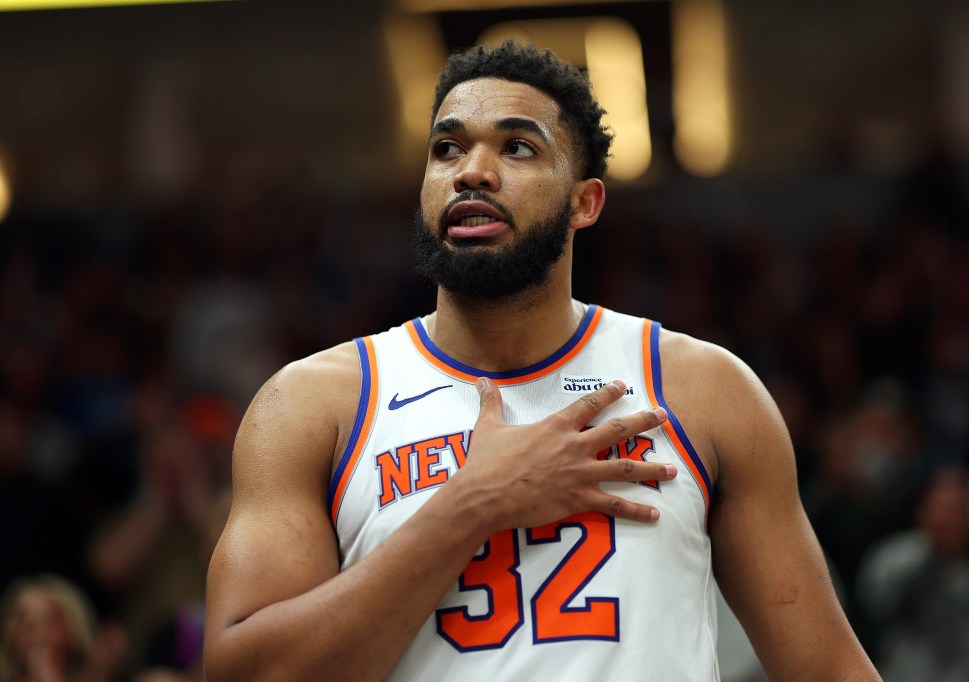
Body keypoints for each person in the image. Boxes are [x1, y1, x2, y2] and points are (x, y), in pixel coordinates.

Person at [203, 40, 879, 681]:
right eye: (447, 149)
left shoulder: (704, 388)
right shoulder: (310, 405)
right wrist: (471, 505)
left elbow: (829, 669)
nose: (471, 170)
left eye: (518, 147)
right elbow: (244, 673)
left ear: (585, 202)